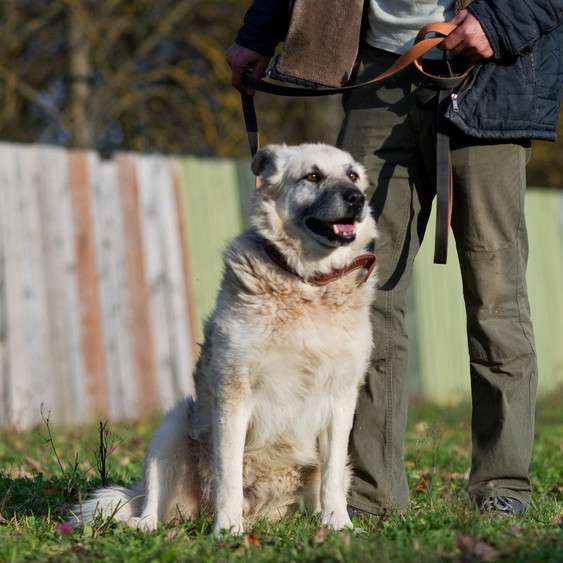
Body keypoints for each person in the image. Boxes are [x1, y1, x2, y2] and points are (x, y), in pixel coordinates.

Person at [226, 0, 563, 518]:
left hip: (491, 71)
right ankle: (369, 496)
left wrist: (498, 22)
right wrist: (260, 30)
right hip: (377, 72)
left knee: (496, 297)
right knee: (361, 293)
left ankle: (503, 487)